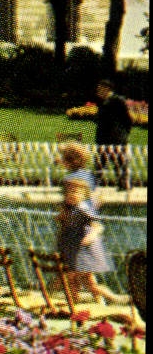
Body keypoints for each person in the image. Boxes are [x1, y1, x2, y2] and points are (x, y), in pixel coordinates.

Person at [55, 176, 111, 306]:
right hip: (71, 251)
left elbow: (98, 226)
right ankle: (77, 304)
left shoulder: (83, 209)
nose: (71, 195)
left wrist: (88, 238)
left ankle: (112, 298)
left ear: (82, 195)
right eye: (69, 192)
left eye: (75, 192)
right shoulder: (69, 210)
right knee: (77, 281)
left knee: (83, 280)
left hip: (83, 252)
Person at [92, 79, 132, 193]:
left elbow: (127, 119)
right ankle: (94, 185)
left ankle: (123, 184)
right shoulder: (102, 101)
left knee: (119, 162)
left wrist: (124, 134)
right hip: (103, 137)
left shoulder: (117, 101)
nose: (98, 92)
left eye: (100, 89)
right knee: (100, 162)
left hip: (116, 138)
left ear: (107, 89)